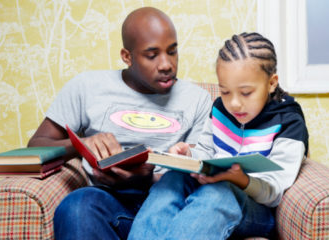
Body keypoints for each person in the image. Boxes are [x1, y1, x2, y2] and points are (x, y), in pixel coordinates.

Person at [27, 7, 212, 240]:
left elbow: (202, 169)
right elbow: (36, 146)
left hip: (169, 205)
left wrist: (148, 178)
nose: (166, 64)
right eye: (152, 55)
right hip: (109, 201)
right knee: (76, 206)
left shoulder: (198, 98)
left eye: (172, 52)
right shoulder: (87, 87)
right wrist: (82, 144)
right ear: (127, 56)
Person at [127, 32, 309, 240]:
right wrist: (189, 154)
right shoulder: (220, 110)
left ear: (271, 83)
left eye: (246, 93)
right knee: (172, 179)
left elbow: (274, 191)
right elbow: (206, 153)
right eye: (225, 92)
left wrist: (242, 180)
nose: (234, 104)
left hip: (254, 209)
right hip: (207, 191)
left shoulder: (289, 122)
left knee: (220, 191)